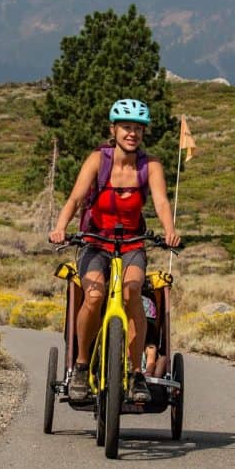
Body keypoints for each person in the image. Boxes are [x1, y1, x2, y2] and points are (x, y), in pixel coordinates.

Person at [49, 98, 181, 404]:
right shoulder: (98, 160)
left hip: (132, 243)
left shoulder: (151, 166)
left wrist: (170, 230)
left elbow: (161, 202)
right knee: (93, 295)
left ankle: (136, 374)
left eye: (137, 128)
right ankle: (81, 366)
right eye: (126, 127)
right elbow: (74, 199)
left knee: (132, 292)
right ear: (114, 130)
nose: (132, 133)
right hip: (95, 241)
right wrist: (60, 228)